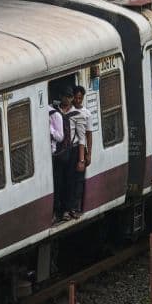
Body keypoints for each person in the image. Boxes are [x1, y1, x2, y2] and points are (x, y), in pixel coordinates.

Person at [50, 88, 76, 221]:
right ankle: (56, 210)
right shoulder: (54, 112)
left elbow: (82, 133)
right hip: (57, 151)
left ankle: (66, 209)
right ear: (61, 96)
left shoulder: (76, 112)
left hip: (71, 150)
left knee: (69, 181)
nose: (68, 99)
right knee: (57, 182)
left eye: (70, 97)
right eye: (66, 96)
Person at [67, 85, 92, 218]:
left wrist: (86, 156)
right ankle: (70, 207)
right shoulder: (68, 111)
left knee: (79, 180)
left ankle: (75, 207)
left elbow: (87, 136)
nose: (77, 101)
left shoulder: (85, 113)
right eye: (75, 98)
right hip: (71, 150)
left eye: (80, 98)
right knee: (71, 179)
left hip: (79, 149)